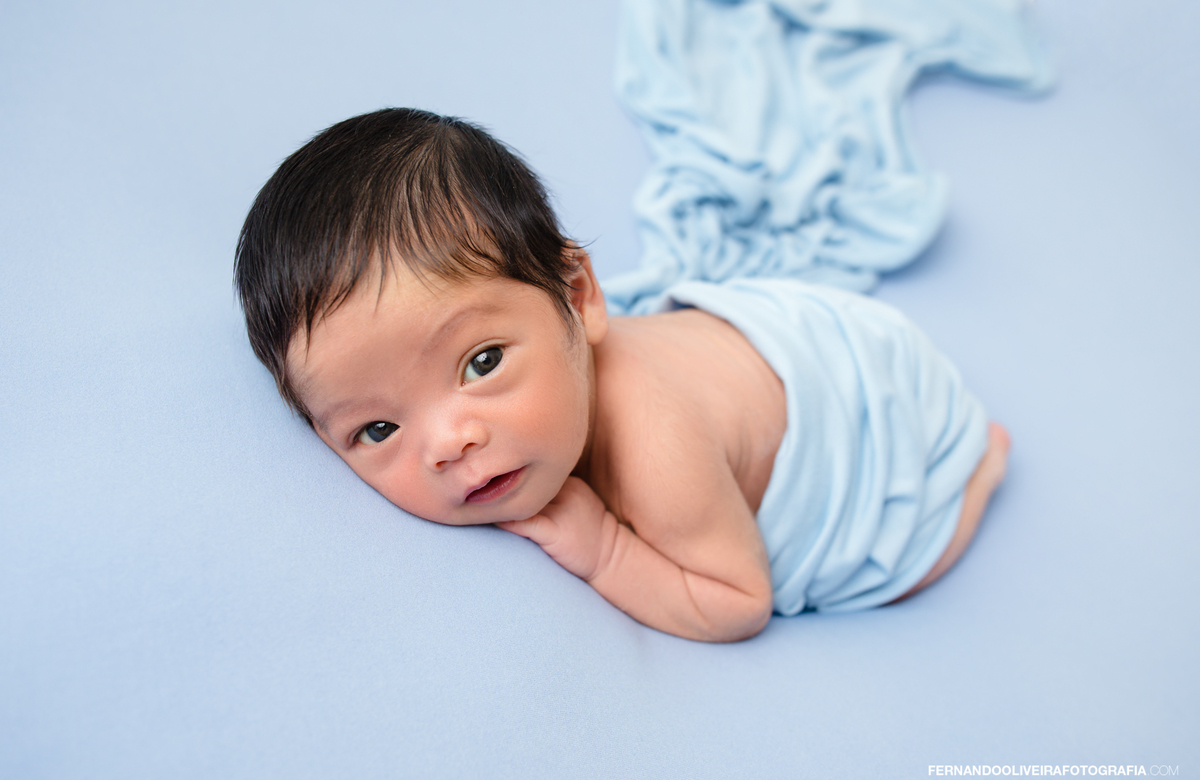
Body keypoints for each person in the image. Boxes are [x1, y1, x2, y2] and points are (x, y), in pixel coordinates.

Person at [235, 108, 1009, 642]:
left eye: (482, 362)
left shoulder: (657, 451)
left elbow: (741, 602)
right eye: (378, 429)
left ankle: (978, 473)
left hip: (868, 411)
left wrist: (606, 549)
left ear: (579, 298)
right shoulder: (546, 388)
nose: (448, 442)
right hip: (757, 356)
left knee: (902, 562)